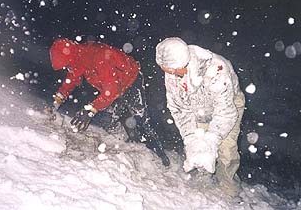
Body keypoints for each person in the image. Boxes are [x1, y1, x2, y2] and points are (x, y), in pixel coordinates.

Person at [49, 38, 170, 166]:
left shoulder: (99, 57)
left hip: (131, 80)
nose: (67, 68)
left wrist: (90, 109)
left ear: (72, 58)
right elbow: (72, 79)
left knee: (140, 119)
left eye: (67, 65)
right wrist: (58, 99)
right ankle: (132, 143)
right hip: (112, 86)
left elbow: (111, 91)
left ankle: (160, 156)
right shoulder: (79, 59)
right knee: (111, 118)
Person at [155, 37, 245, 197]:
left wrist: (212, 140)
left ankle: (229, 189)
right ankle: (204, 181)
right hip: (198, 107)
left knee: (226, 150)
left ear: (185, 61)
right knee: (197, 146)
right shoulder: (172, 69)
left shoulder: (216, 69)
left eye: (173, 71)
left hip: (228, 106)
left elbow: (225, 112)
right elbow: (179, 108)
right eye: (166, 71)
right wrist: (190, 137)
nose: (170, 75)